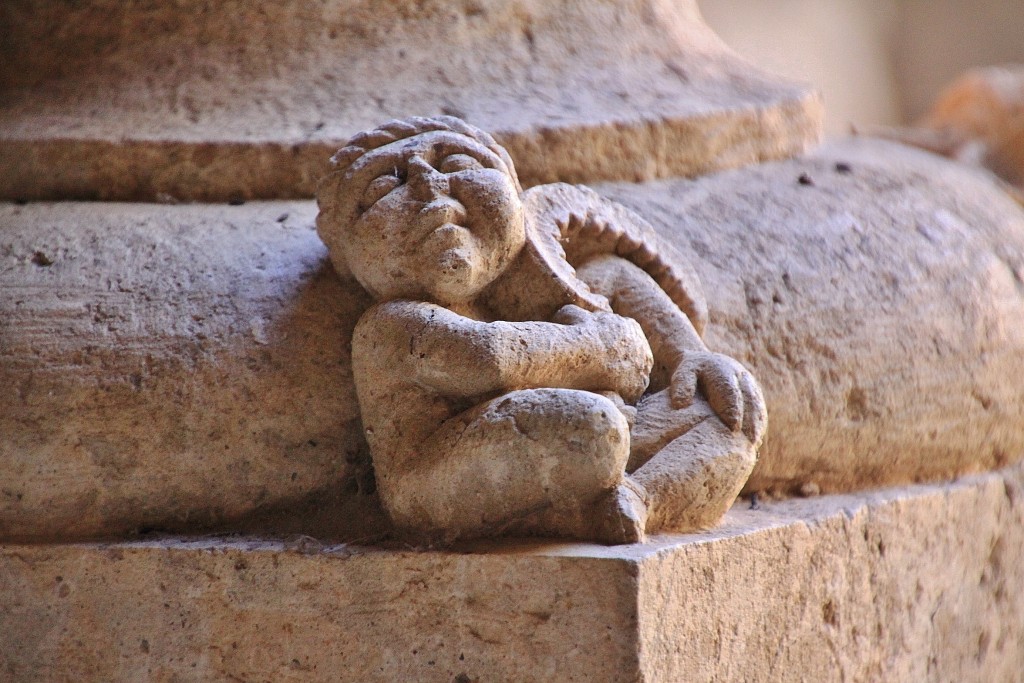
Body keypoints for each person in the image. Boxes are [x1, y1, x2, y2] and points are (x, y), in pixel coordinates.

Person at [317, 116, 766, 544]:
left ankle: (636, 500)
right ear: (351, 264)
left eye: (457, 164)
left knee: (730, 410)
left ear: (516, 202)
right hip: (444, 475)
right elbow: (488, 358)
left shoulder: (546, 286)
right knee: (590, 427)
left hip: (600, 435)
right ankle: (565, 510)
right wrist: (605, 348)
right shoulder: (391, 326)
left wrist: (692, 354)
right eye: (383, 187)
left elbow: (615, 276)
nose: (429, 184)